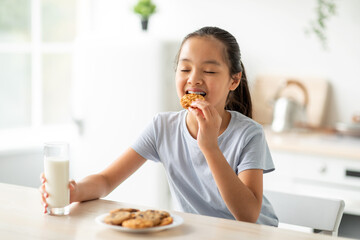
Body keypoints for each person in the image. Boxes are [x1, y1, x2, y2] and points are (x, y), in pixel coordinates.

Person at [40, 26, 278, 226]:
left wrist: (210, 147)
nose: (194, 78)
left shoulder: (249, 135)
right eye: (185, 69)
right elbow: (106, 180)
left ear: (234, 80)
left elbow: (248, 217)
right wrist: (74, 191)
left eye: (209, 70)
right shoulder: (163, 127)